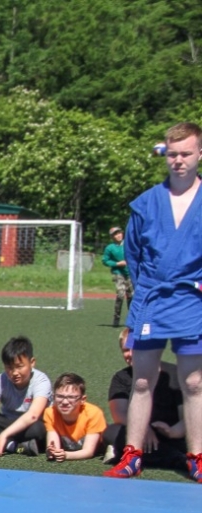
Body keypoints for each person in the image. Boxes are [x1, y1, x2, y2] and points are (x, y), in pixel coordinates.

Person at [106, 122, 202, 482]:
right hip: (152, 299)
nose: (179, 161)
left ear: (199, 155)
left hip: (193, 300)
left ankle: (197, 456)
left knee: (194, 383)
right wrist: (144, 291)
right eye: (173, 154)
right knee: (143, 380)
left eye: (186, 154)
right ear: (166, 154)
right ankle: (131, 454)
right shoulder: (146, 203)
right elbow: (132, 254)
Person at [103, 327, 184, 467]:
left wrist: (172, 432)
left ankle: (144, 456)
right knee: (112, 432)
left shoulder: (174, 374)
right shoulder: (121, 378)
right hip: (138, 433)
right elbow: (119, 414)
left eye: (135, 348)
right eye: (126, 350)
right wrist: (143, 428)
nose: (130, 354)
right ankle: (177, 459)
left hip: (172, 433)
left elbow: (188, 416)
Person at [43, 373, 105, 462]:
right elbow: (53, 445)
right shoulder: (50, 412)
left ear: (82, 399)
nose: (64, 402)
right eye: (60, 396)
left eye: (71, 397)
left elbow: (88, 451)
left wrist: (66, 455)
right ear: (53, 397)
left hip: (97, 448)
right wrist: (52, 451)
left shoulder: (93, 413)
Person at [102, 225, 131, 327]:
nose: (118, 235)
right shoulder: (110, 248)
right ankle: (116, 317)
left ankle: (132, 319)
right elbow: (105, 261)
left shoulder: (129, 244)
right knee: (120, 295)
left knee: (131, 296)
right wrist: (117, 264)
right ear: (112, 237)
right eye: (115, 234)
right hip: (118, 273)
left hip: (130, 273)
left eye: (119, 233)